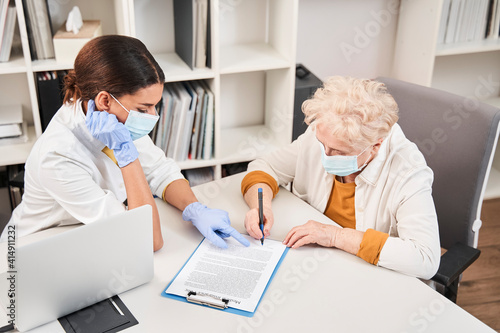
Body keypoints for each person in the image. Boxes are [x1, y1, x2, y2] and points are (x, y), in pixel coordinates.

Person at [0, 35, 249, 251]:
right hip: (30, 253)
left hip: (87, 237)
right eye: (144, 107)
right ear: (105, 101)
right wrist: (127, 155)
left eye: (155, 105)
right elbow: (147, 239)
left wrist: (195, 209)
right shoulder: (57, 156)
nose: (153, 116)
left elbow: (160, 171)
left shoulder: (113, 119)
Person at [241, 76, 440, 279]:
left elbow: (425, 259)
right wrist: (260, 206)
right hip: (309, 264)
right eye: (322, 144)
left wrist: (335, 236)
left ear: (375, 146)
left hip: (368, 276)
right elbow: (264, 167)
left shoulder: (407, 171)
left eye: (339, 152)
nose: (325, 155)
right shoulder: (325, 133)